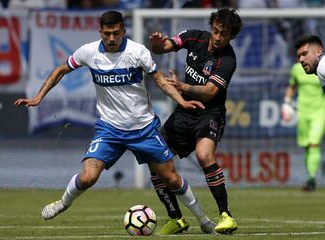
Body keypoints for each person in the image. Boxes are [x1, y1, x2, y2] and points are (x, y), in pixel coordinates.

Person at [14, 10, 216, 234]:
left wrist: (182, 101)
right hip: (109, 130)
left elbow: (159, 79)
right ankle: (62, 203)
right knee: (88, 177)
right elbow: (61, 69)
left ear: (123, 31)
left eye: (116, 33)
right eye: (107, 33)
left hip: (143, 129)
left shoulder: (137, 52)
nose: (111, 38)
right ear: (100, 32)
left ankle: (204, 221)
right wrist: (38, 97)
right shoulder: (88, 52)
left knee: (173, 180)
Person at [148, 8, 241, 234]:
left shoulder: (228, 59)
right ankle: (177, 218)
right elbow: (164, 47)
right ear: (212, 27)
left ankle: (226, 215)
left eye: (224, 33)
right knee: (154, 159)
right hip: (184, 112)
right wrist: (158, 44)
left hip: (210, 114)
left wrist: (182, 87)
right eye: (216, 30)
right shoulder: (194, 37)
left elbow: (209, 92)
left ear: (231, 36)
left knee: (204, 155)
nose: (218, 37)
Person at [284, 36, 325, 191]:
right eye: (298, 56)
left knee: (314, 144)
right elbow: (291, 86)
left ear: (318, 51)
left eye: (305, 54)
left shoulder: (322, 66)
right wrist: (286, 104)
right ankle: (310, 177)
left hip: (320, 111)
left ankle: (312, 178)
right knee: (308, 146)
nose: (301, 59)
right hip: (303, 110)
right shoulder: (299, 70)